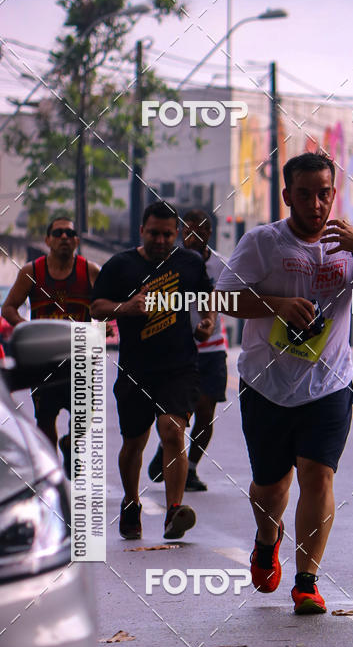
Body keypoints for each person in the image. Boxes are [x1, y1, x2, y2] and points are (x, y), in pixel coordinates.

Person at [216, 151, 353, 615]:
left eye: (324, 194)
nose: (316, 204)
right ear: (287, 195)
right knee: (270, 488)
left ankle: (307, 582)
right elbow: (222, 298)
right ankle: (267, 538)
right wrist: (277, 304)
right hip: (266, 383)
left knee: (318, 476)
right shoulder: (263, 242)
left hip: (329, 384)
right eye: (304, 195)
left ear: (334, 193)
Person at [90, 200, 211, 540]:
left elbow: (207, 297)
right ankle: (131, 502)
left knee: (172, 431)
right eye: (154, 233)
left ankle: (174, 511)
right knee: (134, 443)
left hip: (179, 367)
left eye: (167, 235)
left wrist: (207, 321)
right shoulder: (120, 265)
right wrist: (126, 307)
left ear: (177, 234)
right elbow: (96, 308)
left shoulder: (190, 262)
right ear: (142, 230)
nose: (160, 241)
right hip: (136, 369)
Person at [1, 216, 100, 478]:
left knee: (85, 416)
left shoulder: (90, 270)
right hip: (44, 361)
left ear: (77, 240)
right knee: (45, 420)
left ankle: (70, 443)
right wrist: (27, 329)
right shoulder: (32, 272)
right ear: (47, 240)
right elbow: (8, 308)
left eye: (70, 233)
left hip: (79, 361)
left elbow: (105, 304)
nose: (64, 237)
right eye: (58, 233)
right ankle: (52, 472)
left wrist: (104, 323)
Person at [148, 208, 228, 492]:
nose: (193, 236)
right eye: (188, 230)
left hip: (213, 348)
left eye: (200, 230)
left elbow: (229, 298)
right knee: (182, 410)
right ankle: (167, 445)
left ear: (209, 233)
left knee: (206, 411)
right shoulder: (171, 262)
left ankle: (191, 467)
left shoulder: (221, 265)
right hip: (180, 347)